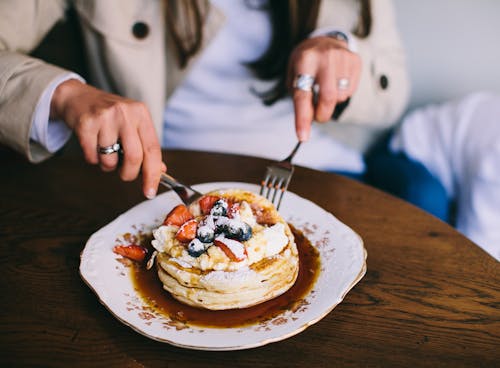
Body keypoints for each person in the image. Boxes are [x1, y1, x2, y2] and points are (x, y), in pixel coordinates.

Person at [0, 0, 409, 199]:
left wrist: (341, 49)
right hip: (164, 177)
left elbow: (393, 97)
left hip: (312, 170)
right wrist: (63, 93)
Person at [366, 92, 500, 261]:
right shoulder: (495, 158)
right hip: (404, 152)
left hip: (458, 177)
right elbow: (480, 251)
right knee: (430, 211)